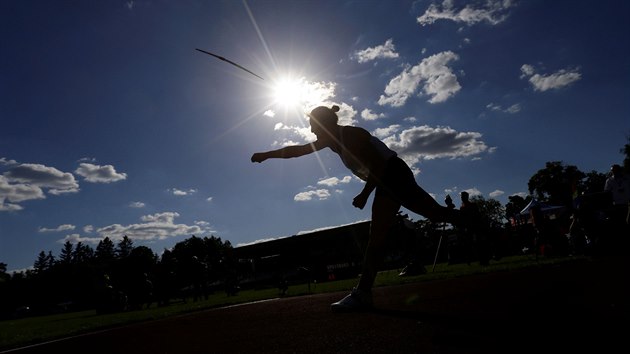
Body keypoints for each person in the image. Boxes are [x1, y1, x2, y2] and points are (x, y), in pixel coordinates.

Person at [251, 105, 461, 312]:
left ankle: (363, 293)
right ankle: (477, 222)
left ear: (324, 124)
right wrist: (267, 155)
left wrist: (364, 194)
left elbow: (379, 164)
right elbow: (298, 151)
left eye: (313, 126)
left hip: (392, 176)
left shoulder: (350, 134)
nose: (312, 131)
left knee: (380, 236)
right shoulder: (330, 141)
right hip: (391, 178)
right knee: (435, 214)